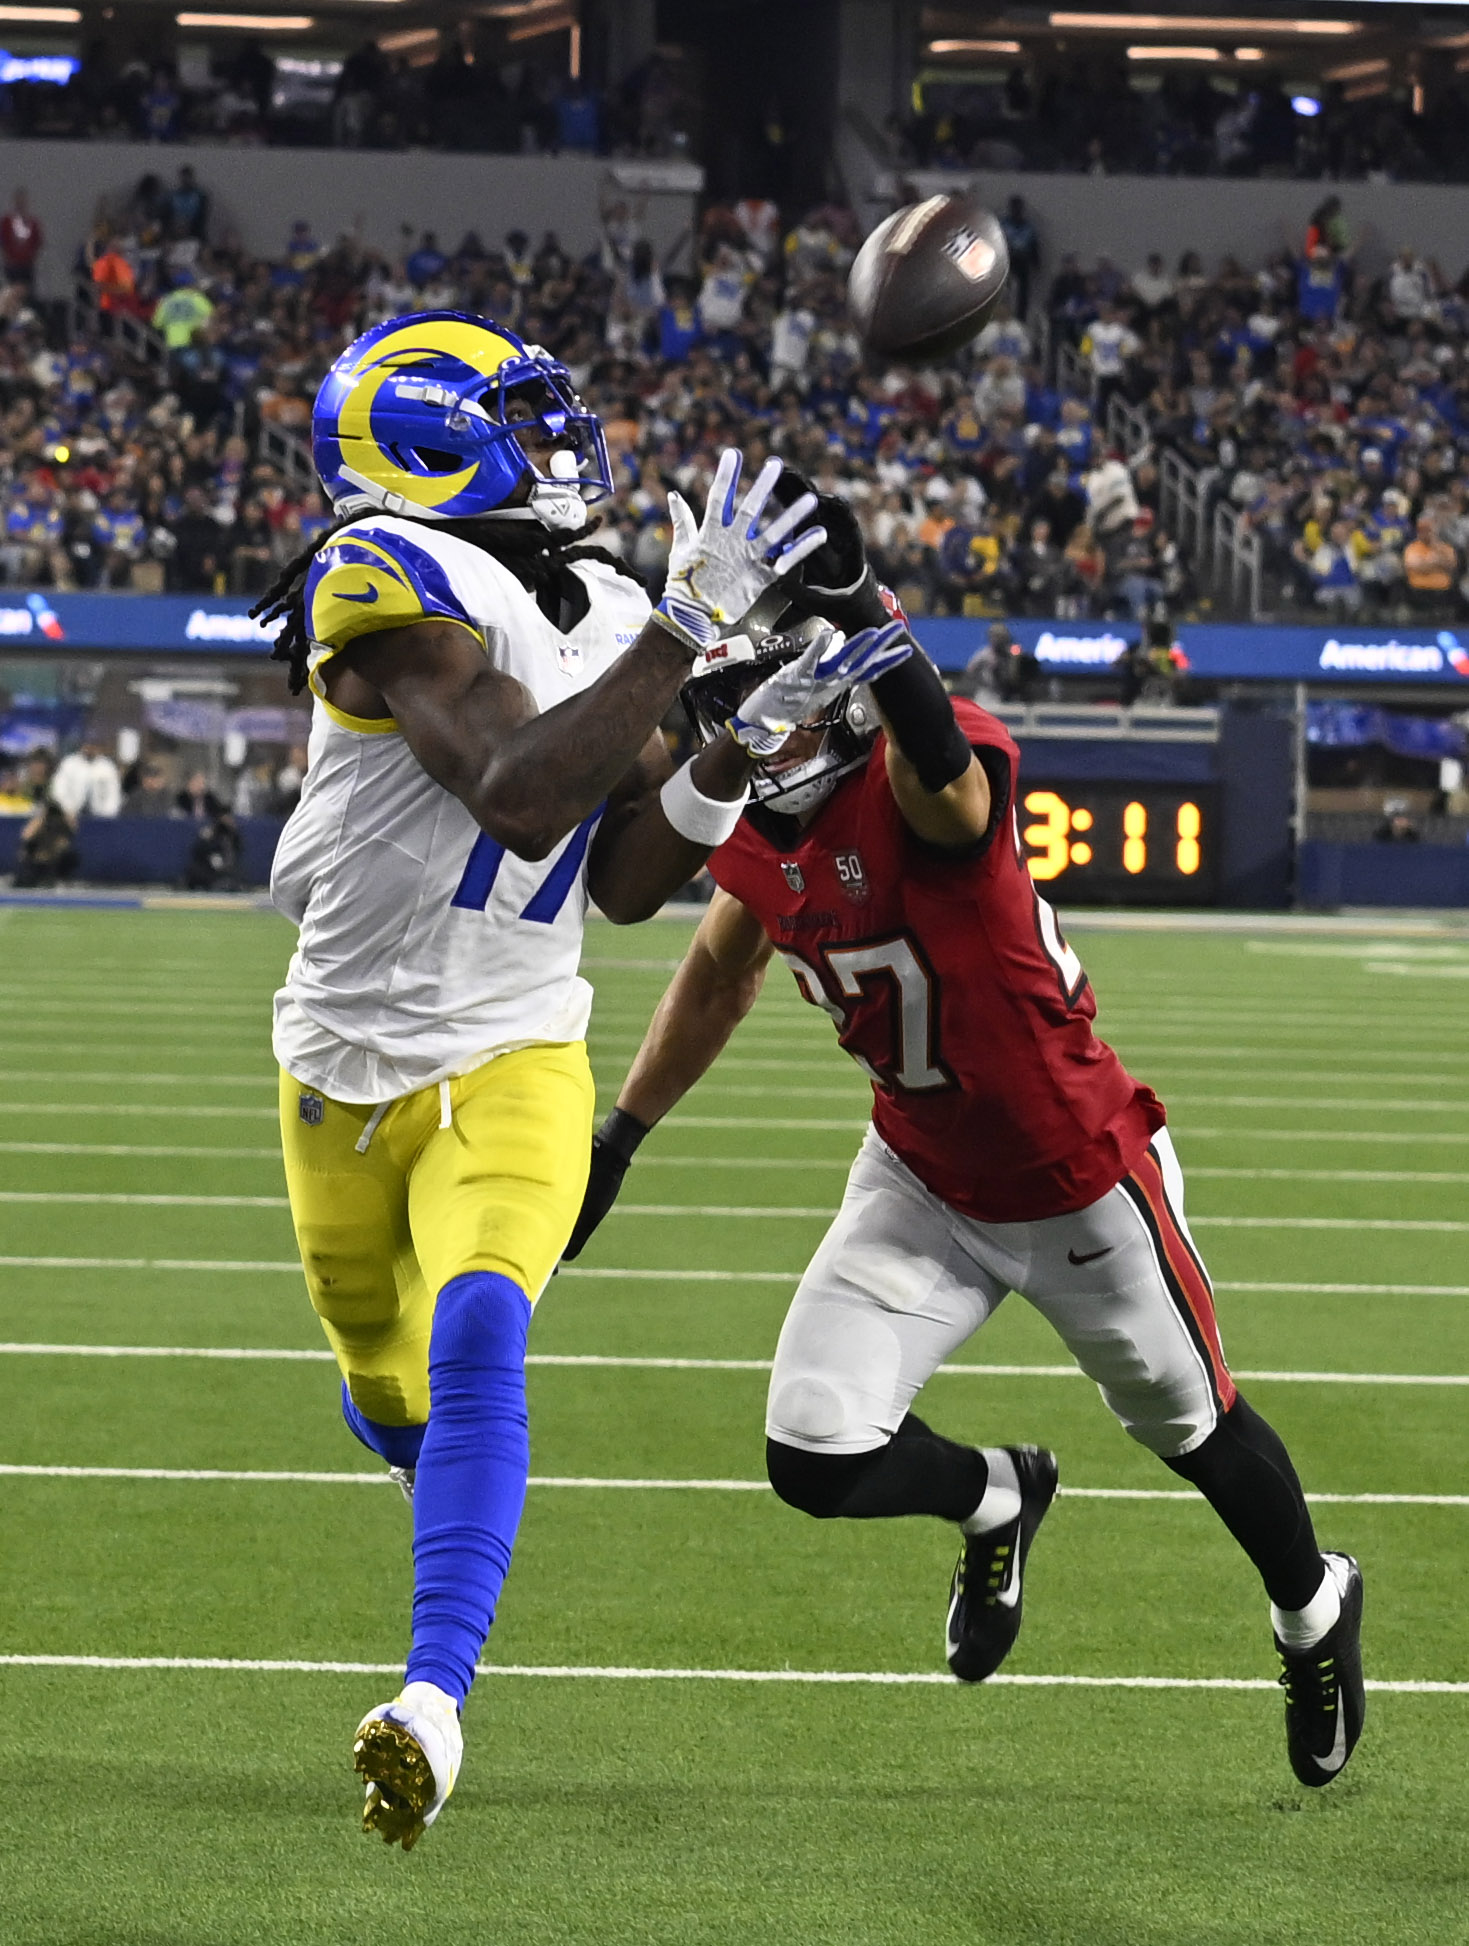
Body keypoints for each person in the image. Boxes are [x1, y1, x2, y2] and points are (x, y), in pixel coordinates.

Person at [566, 482, 1366, 1794]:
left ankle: (1312, 1605)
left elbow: (940, 769)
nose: (713, 740)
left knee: (1193, 1426)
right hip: (920, 1175)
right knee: (813, 1448)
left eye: (730, 707)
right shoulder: (767, 837)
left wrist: (866, 603)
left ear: (811, 695)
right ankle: (997, 1491)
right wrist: (621, 1138)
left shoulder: (914, 782)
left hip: (1071, 1177)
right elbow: (716, 977)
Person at [249, 309, 883, 1851]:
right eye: (521, 415)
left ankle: (431, 1699)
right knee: (381, 1380)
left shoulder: (599, 598)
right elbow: (522, 795)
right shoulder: (380, 573)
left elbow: (623, 882)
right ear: (424, 441)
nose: (562, 441)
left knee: (482, 1324)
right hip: (341, 1066)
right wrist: (678, 641)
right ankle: (442, 1493)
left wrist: (732, 743)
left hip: (520, 1041)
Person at [50, 737, 122, 819]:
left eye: (94, 745)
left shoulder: (108, 767)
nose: (90, 748)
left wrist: (106, 817)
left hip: (101, 818)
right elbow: (58, 791)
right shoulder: (69, 763)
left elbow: (113, 796)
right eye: (87, 745)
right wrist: (69, 810)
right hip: (69, 816)